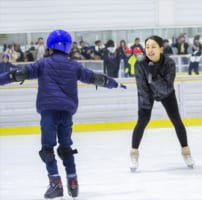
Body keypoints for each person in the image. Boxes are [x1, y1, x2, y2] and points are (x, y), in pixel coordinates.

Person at [6, 29, 121, 199]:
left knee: (47, 149)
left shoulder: (43, 64)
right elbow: (94, 78)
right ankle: (73, 182)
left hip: (49, 112)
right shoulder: (74, 66)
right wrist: (114, 83)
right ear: (67, 48)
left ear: (50, 46)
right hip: (67, 113)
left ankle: (55, 183)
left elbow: (19, 74)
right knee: (66, 148)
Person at [129, 35, 194, 172]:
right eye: (147, 47)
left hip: (166, 93)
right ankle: (134, 154)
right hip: (147, 94)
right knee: (142, 121)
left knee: (176, 120)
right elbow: (141, 86)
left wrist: (153, 76)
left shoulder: (169, 63)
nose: (150, 50)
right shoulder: (140, 63)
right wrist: (146, 106)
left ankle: (186, 151)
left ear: (161, 49)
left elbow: (166, 86)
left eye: (153, 47)